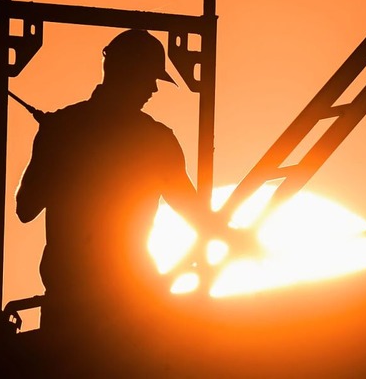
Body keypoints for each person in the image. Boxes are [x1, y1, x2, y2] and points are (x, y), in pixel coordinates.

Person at [16, 29, 218, 343]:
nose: (153, 88)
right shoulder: (156, 140)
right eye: (149, 77)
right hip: (129, 304)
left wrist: (53, 150)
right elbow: (196, 214)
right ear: (126, 73)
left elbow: (26, 206)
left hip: (71, 306)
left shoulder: (62, 130)